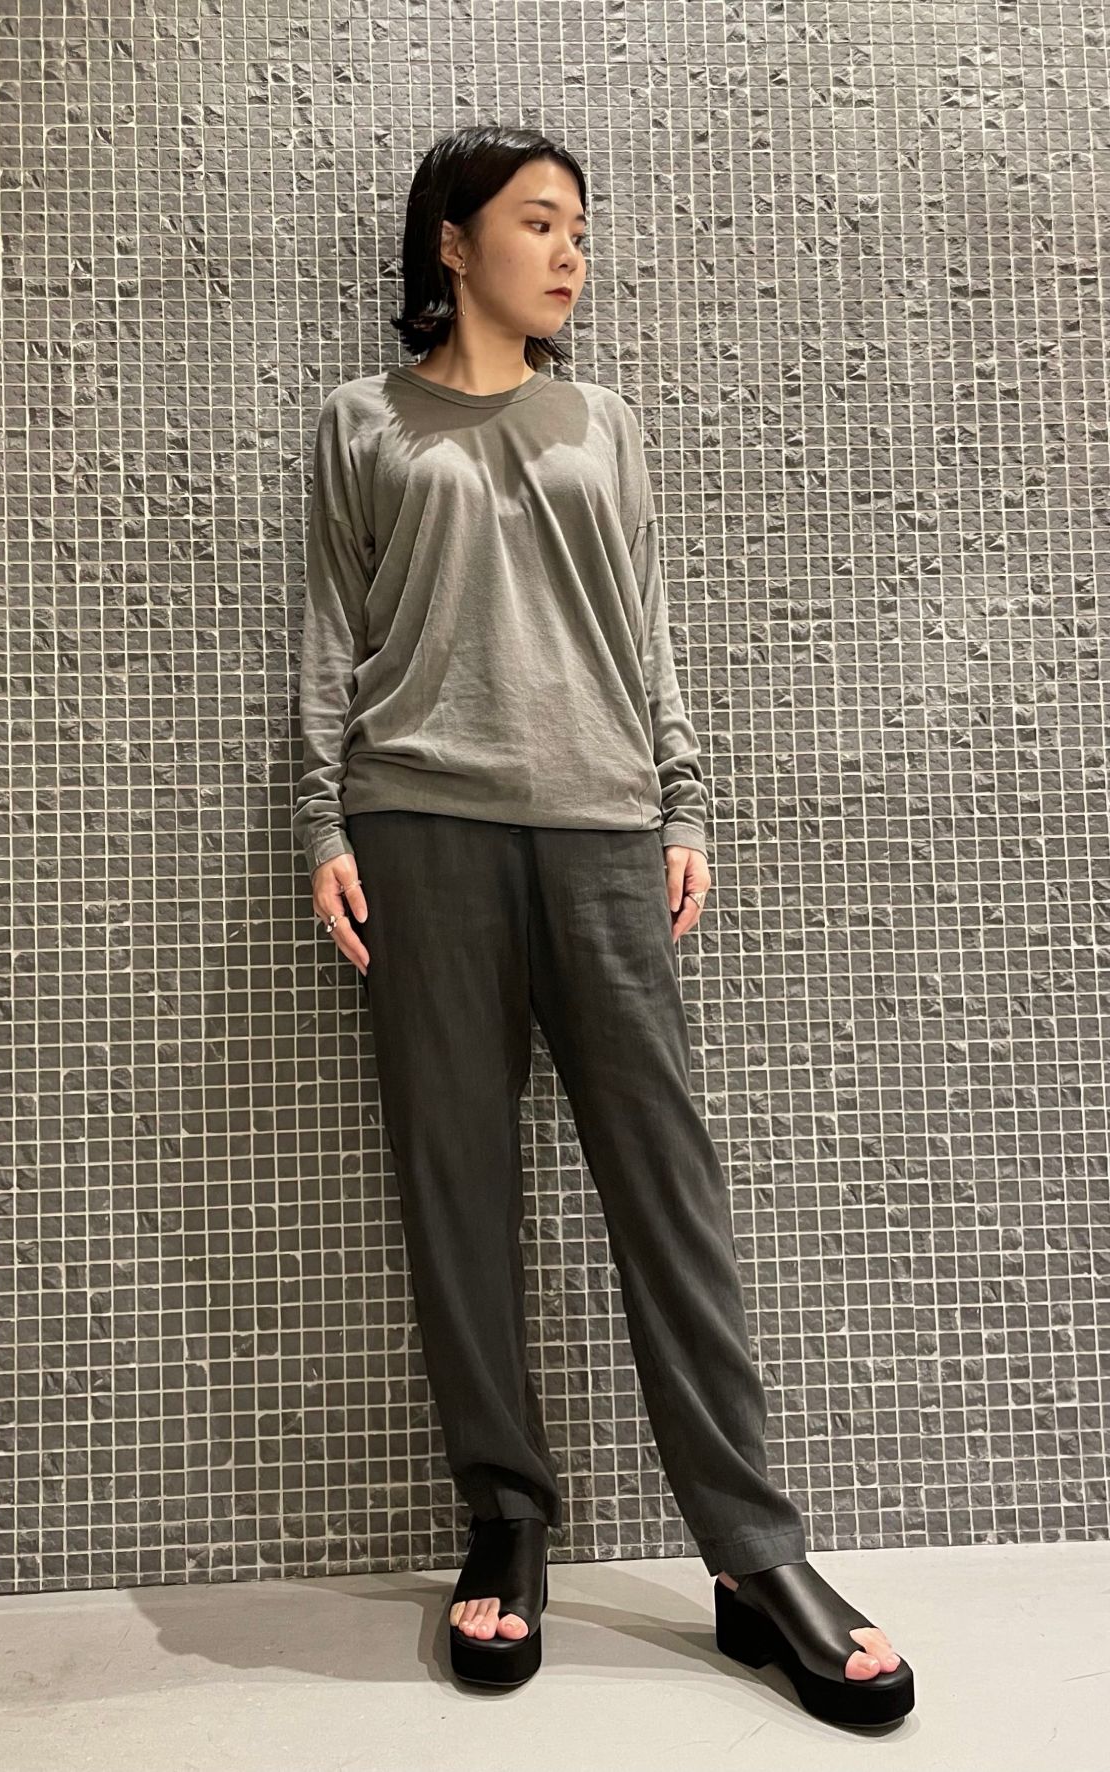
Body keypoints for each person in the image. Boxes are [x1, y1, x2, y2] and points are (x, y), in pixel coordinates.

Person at [291, 123, 914, 1726]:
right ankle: (504, 1520)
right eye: (537, 222)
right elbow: (330, 633)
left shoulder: (605, 422)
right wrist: (320, 822)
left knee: (667, 1188)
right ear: (452, 243)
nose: (571, 251)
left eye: (580, 226)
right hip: (419, 824)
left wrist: (684, 801)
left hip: (602, 827)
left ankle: (754, 1557)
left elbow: (645, 628)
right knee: (458, 1187)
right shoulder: (362, 422)